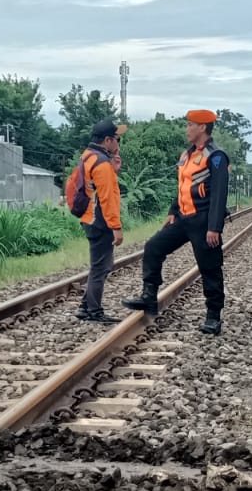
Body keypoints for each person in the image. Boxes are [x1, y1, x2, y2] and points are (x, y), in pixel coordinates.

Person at [122, 109, 229, 335]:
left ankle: (213, 316)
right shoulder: (186, 155)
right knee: (153, 247)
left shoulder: (216, 156)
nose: (186, 129)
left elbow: (219, 194)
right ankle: (148, 297)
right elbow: (182, 186)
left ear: (202, 127)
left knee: (209, 268)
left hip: (203, 221)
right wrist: (173, 210)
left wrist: (214, 227)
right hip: (183, 218)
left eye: (190, 125)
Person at [76, 120, 125, 323]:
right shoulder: (102, 163)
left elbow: (95, 187)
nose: (119, 143)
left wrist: (113, 170)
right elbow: (106, 198)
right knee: (101, 267)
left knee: (101, 264)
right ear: (107, 140)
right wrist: (116, 227)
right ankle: (93, 311)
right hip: (101, 221)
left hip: (89, 217)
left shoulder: (88, 156)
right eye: (117, 139)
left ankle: (86, 306)